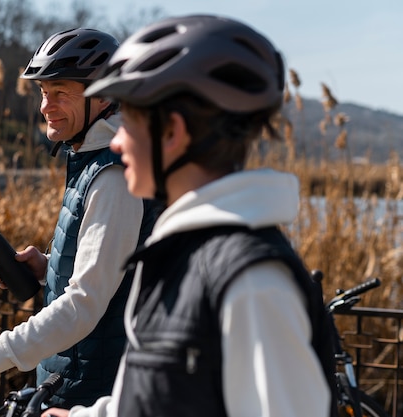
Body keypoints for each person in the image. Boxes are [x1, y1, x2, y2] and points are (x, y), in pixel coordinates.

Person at [44, 14, 337, 417]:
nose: (118, 140)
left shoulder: (252, 283)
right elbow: (165, 396)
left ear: (172, 133)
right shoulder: (177, 253)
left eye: (129, 121)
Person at [0, 28, 158, 415]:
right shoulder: (91, 159)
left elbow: (84, 305)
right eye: (43, 92)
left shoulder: (114, 178)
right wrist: (47, 269)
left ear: (103, 97)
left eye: (61, 93)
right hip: (69, 384)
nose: (45, 106)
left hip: (94, 393)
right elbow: (106, 270)